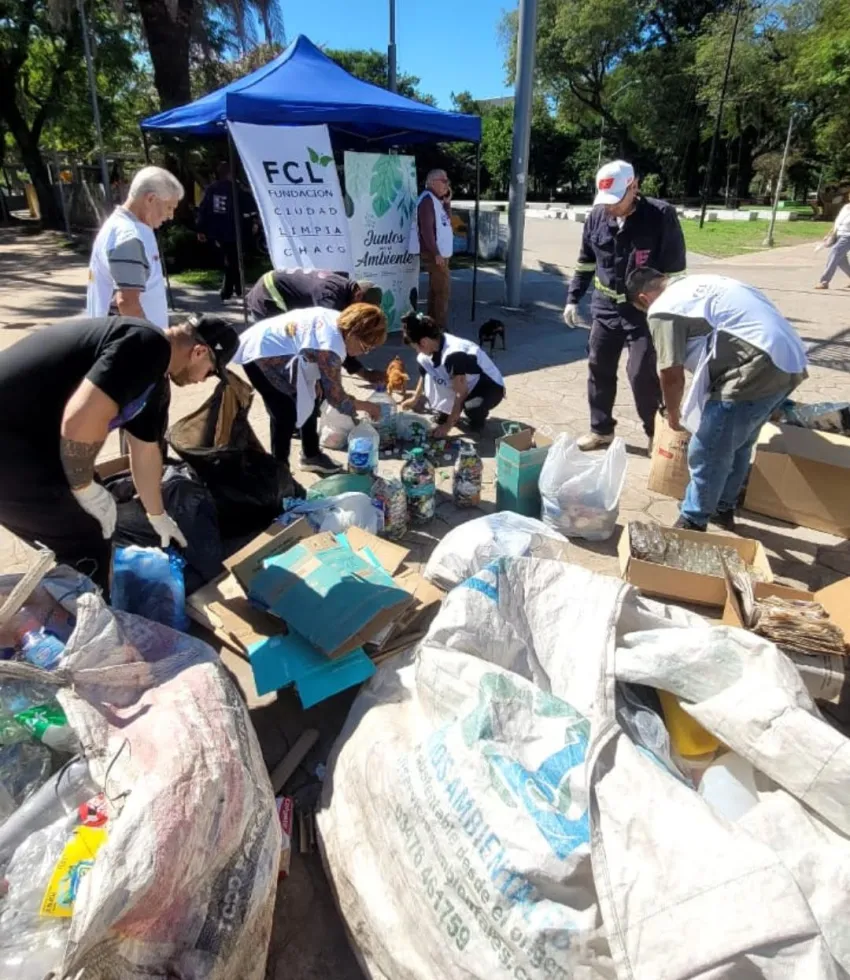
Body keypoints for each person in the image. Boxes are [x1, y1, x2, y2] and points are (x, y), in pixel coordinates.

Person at [0, 314, 239, 590]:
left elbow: (145, 451)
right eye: (211, 372)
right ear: (199, 352)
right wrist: (84, 488)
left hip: (28, 442)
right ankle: (85, 612)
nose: (204, 380)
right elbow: (78, 421)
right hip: (13, 443)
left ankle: (80, 599)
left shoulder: (153, 376)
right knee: (87, 540)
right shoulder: (147, 345)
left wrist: (157, 516)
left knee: (91, 532)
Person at [627, 268, 808, 532]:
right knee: (738, 443)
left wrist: (674, 415)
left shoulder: (663, 308)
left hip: (755, 370)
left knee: (707, 448)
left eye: (643, 310)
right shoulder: (697, 284)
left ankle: (693, 521)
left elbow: (671, 374)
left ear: (644, 299)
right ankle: (722, 507)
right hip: (790, 361)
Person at [563, 160, 687, 452]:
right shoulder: (596, 216)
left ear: (634, 187)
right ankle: (601, 430)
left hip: (644, 312)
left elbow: (676, 272)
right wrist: (573, 298)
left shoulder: (660, 216)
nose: (611, 207)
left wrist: (674, 314)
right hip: (605, 308)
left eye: (616, 200)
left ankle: (655, 433)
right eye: (606, 200)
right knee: (598, 367)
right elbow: (586, 262)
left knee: (641, 374)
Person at [231, 304, 388, 477]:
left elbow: (311, 350)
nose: (364, 353)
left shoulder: (340, 323)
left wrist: (316, 380)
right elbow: (337, 398)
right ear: (353, 333)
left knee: (312, 395)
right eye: (365, 347)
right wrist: (368, 406)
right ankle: (279, 472)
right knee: (284, 412)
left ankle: (311, 455)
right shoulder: (330, 346)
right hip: (259, 353)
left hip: (282, 352)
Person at [86, 166, 184, 331]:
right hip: (133, 342)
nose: (171, 215)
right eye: (169, 207)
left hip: (119, 336)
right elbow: (127, 303)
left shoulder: (123, 227)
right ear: (151, 199)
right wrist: (155, 340)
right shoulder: (129, 236)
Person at [245, 269, 385, 383]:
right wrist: (361, 375)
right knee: (286, 359)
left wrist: (363, 372)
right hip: (269, 294)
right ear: (358, 296)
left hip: (282, 291)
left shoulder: (347, 292)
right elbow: (330, 341)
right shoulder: (330, 298)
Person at [400, 313, 505, 437]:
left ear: (423, 342)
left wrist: (447, 426)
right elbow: (426, 375)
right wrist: (414, 399)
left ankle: (477, 421)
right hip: (464, 381)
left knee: (472, 407)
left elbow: (461, 393)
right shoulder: (434, 343)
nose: (417, 351)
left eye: (416, 347)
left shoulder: (454, 355)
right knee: (425, 365)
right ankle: (447, 412)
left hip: (489, 385)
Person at [409, 169, 453, 329]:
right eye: (444, 180)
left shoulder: (435, 200)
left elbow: (446, 221)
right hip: (435, 253)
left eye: (447, 180)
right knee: (442, 290)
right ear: (432, 182)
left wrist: (447, 203)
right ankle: (439, 327)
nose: (447, 184)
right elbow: (426, 230)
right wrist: (436, 253)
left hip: (439, 253)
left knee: (436, 289)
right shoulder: (427, 200)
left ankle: (432, 324)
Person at [197, 162, 243, 302]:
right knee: (232, 260)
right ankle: (229, 291)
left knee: (231, 259)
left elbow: (203, 209)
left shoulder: (212, 189)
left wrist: (201, 229)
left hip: (217, 229)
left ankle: (236, 289)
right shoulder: (236, 188)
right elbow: (244, 207)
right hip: (233, 229)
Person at [815, 200, 850, 290]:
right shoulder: (846, 207)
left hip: (848, 236)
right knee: (841, 260)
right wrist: (830, 233)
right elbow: (838, 221)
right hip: (839, 234)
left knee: (834, 251)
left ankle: (824, 282)